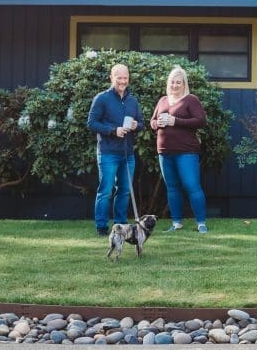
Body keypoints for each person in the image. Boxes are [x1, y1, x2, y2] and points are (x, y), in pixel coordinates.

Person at [150, 65, 208, 233]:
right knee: (172, 187)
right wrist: (157, 124)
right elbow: (152, 121)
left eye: (178, 82)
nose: (175, 85)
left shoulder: (191, 100)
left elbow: (200, 121)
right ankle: (176, 223)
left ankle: (201, 223)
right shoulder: (162, 100)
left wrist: (176, 121)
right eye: (172, 82)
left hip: (186, 152)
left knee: (192, 186)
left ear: (184, 84)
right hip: (165, 151)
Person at [87, 64, 143, 236]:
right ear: (112, 78)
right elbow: (92, 123)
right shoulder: (102, 98)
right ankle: (102, 228)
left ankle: (121, 226)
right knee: (105, 191)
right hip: (108, 153)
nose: (123, 81)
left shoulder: (132, 100)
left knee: (124, 191)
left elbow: (141, 124)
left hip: (127, 154)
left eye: (125, 78)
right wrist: (113, 130)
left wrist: (136, 126)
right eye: (119, 78)